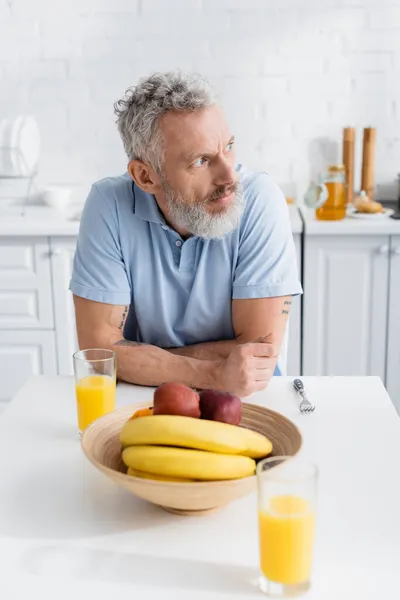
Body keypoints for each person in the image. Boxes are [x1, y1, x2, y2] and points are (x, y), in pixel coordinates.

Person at [69, 71, 302, 397]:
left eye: (229, 147)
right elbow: (100, 355)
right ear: (145, 176)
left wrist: (144, 358)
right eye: (201, 160)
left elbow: (256, 356)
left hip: (248, 396)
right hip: (143, 397)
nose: (228, 176)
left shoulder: (259, 199)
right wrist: (215, 372)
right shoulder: (108, 205)